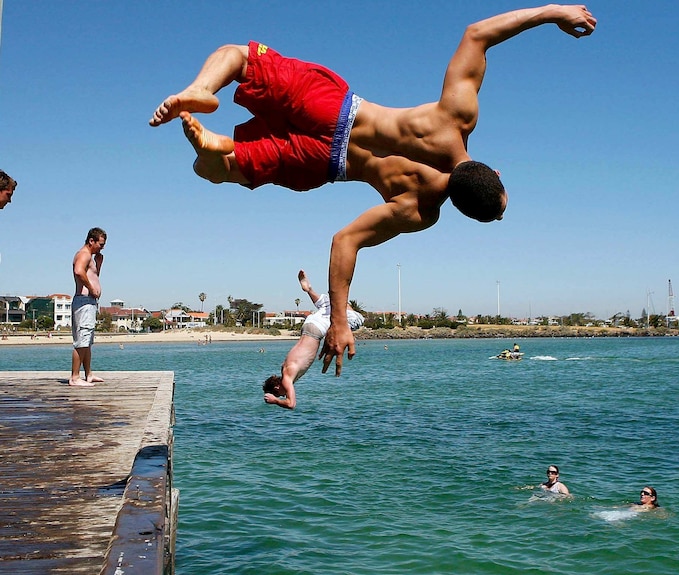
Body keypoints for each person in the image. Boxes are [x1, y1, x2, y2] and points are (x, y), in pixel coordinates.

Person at [149, 5, 597, 376]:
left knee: (237, 55)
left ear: (492, 172)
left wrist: (553, 13)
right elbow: (345, 241)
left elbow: (477, 34)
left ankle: (201, 91)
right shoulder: (421, 209)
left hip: (338, 112)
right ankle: (215, 148)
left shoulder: (454, 120)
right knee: (211, 171)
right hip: (329, 164)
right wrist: (339, 323)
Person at [262, 269, 364, 410]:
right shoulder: (286, 371)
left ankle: (337, 293)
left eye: (279, 394)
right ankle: (309, 289)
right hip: (309, 327)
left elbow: (291, 404)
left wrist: (275, 401)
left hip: (316, 332)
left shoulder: (287, 378)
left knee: (356, 319)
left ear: (277, 386)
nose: (282, 395)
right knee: (326, 306)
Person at [69, 227, 107, 386]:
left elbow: (91, 275)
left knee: (88, 340)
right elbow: (79, 272)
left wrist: (98, 264)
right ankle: (75, 377)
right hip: (84, 301)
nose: (102, 248)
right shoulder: (83, 254)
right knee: (82, 340)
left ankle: (88, 374)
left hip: (89, 302)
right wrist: (92, 289)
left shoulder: (90, 257)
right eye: (101, 244)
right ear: (91, 241)